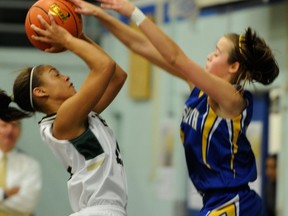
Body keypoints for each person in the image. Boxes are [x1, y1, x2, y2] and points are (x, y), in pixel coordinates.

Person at [70, 0, 279, 215]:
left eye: (217, 53)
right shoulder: (198, 89)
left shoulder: (232, 98)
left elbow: (175, 57)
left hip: (236, 201)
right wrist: (100, 15)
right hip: (214, 200)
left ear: (233, 67)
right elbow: (140, 46)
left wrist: (134, 12)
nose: (209, 55)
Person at [0, 12, 128, 216]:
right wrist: (68, 40)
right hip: (98, 211)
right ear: (40, 92)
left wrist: (77, 35)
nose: (66, 76)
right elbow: (105, 67)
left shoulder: (79, 115)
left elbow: (118, 76)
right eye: (56, 75)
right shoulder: (65, 119)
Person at [0, 106, 42, 216]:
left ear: (20, 130)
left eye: (15, 125)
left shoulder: (30, 165)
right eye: (4, 125)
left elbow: (27, 206)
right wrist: (5, 194)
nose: (9, 130)